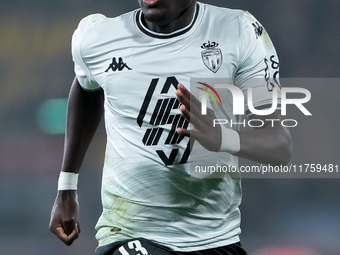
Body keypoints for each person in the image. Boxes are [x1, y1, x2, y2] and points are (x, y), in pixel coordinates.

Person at [49, 0, 292, 254]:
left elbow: (279, 146)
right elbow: (87, 86)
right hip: (129, 233)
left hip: (216, 239)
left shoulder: (240, 32)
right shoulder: (97, 38)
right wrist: (67, 186)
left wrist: (222, 138)